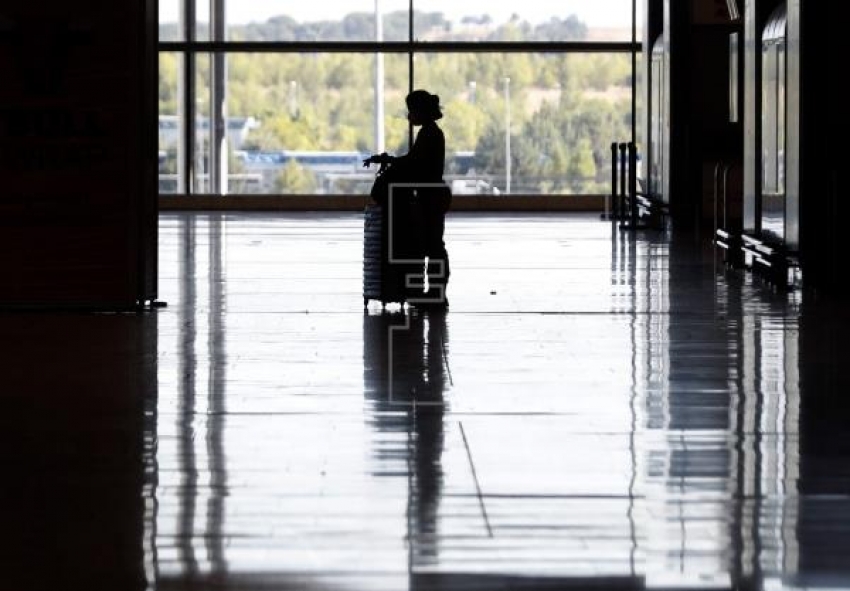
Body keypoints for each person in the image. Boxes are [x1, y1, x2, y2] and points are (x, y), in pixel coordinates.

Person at [364, 89, 452, 306]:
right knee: (432, 245)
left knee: (433, 246)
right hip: (432, 195)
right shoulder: (430, 133)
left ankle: (437, 294)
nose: (409, 116)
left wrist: (391, 162)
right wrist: (393, 161)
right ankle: (434, 292)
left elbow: (415, 163)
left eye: (411, 111)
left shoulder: (430, 134)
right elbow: (414, 161)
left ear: (420, 112)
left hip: (431, 197)